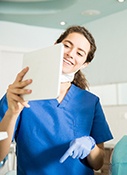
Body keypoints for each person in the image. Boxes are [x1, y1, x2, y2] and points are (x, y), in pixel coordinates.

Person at [0, 25, 113, 175]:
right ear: (55, 47)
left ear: (85, 64)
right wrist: (11, 114)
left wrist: (91, 146)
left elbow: (98, 164)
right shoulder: (21, 93)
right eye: (66, 46)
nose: (70, 54)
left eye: (80, 53)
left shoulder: (90, 102)